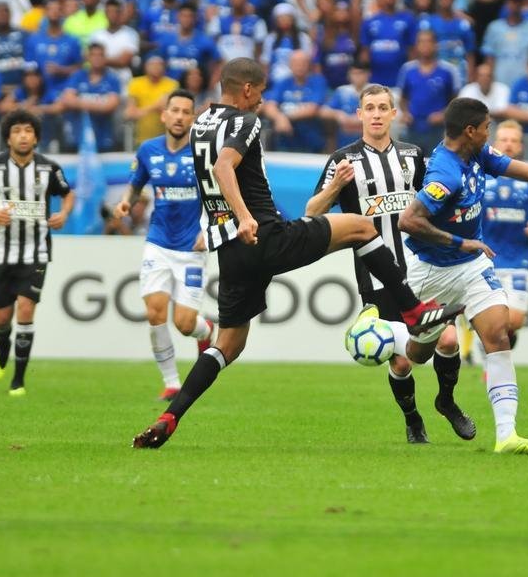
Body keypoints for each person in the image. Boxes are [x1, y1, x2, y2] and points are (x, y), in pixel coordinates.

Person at [132, 59, 463, 449]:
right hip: (263, 235)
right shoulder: (247, 122)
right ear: (248, 91)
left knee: (228, 345)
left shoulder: (201, 124)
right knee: (360, 226)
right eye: (262, 91)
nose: (263, 100)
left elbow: (212, 176)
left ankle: (171, 417)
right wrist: (245, 216)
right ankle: (413, 310)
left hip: (230, 251)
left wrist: (228, 221)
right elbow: (225, 167)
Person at [397, 97, 528, 454]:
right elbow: (409, 220)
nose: (488, 132)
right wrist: (458, 240)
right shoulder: (444, 174)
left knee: (498, 333)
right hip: (430, 271)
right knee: (417, 355)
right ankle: (388, 341)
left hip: (471, 266)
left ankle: (506, 435)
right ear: (470, 131)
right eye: (486, 127)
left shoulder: (477, 154)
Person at [305, 83, 467, 445]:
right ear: (359, 115)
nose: (376, 114)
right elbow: (311, 212)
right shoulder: (342, 161)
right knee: (402, 361)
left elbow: (435, 204)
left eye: (383, 107)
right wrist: (335, 189)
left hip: (423, 269)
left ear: (395, 114)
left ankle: (448, 401)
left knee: (450, 338)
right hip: (376, 276)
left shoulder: (413, 156)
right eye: (370, 108)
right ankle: (412, 419)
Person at [0, 110, 74, 396]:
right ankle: (2, 345)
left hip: (35, 252)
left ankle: (18, 380)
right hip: (1, 253)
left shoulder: (49, 168)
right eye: (17, 131)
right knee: (1, 318)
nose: (23, 135)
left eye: (28, 130)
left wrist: (64, 213)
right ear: (8, 137)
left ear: (36, 136)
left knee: (25, 309)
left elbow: (67, 193)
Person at [114, 91, 214, 401]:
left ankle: (207, 329)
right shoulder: (148, 150)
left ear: (193, 118)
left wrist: (209, 231)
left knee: (184, 324)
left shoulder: (202, 154)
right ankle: (171, 383)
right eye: (175, 110)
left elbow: (218, 195)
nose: (180, 116)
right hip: (157, 242)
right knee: (155, 311)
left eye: (187, 111)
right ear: (164, 115)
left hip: (192, 247)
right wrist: (125, 203)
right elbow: (135, 185)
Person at [481, 120, 528, 348]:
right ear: (495, 143)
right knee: (493, 322)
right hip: (485, 261)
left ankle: (484, 341)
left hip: (518, 260)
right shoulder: (481, 174)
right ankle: (488, 352)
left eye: (514, 141)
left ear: (521, 146)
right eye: (504, 139)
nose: (509, 144)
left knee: (514, 320)